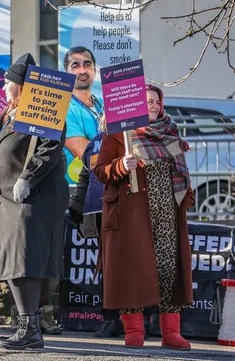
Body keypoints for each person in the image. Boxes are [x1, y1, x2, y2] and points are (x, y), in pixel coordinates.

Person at [94, 84, 194, 350]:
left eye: (156, 102)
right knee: (133, 271)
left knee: (168, 270)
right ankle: (134, 330)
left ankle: (171, 332)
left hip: (166, 215)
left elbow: (181, 174)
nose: (152, 106)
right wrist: (119, 166)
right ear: (135, 105)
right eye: (147, 101)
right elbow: (101, 171)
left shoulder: (171, 135)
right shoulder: (119, 134)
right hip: (132, 216)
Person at [0, 53, 69, 350]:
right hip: (4, 200)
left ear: (22, 86)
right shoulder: (7, 114)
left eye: (8, 83)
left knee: (24, 263)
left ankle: (30, 328)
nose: (3, 87)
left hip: (30, 200)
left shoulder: (43, 112)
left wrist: (27, 178)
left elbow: (49, 148)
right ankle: (27, 326)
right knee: (14, 263)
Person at [67, 115, 124, 338]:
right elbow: (86, 176)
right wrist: (76, 207)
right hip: (103, 211)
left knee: (124, 267)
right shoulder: (97, 143)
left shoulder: (131, 141)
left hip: (121, 210)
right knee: (110, 268)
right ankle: (111, 318)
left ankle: (133, 319)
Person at [63, 46, 104, 180]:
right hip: (77, 188)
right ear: (66, 72)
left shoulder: (104, 104)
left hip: (108, 184)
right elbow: (83, 152)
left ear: (94, 70)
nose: (82, 70)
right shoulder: (63, 107)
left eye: (87, 64)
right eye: (75, 66)